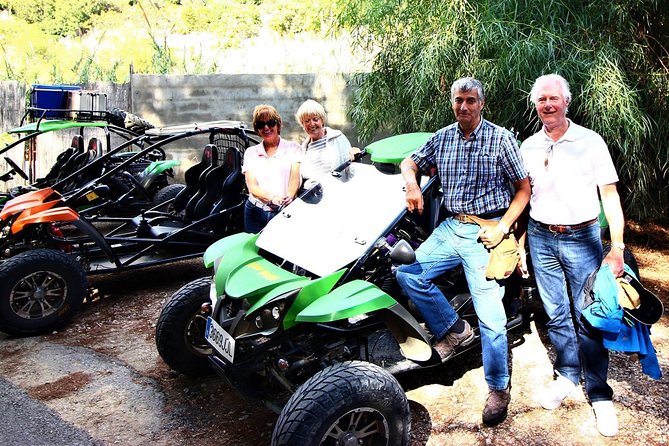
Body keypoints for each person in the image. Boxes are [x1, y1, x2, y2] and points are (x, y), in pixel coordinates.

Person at [396, 77, 530, 427]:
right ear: (452, 102)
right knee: (406, 272)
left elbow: (523, 190)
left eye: (471, 100)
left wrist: (503, 227)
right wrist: (411, 184)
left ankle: (498, 388)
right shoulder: (442, 138)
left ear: (481, 104)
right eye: (459, 100)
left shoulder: (500, 139)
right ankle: (454, 330)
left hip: (487, 231)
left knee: (491, 317)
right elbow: (409, 162)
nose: (464, 107)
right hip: (452, 227)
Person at [518, 74, 626, 437]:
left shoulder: (590, 142)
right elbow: (524, 196)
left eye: (554, 98)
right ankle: (566, 374)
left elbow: (609, 195)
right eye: (541, 100)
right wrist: (520, 243)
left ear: (567, 101)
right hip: (540, 237)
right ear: (536, 105)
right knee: (555, 312)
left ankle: (599, 393)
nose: (548, 105)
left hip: (582, 237)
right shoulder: (529, 146)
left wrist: (617, 247)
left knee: (588, 314)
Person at [242, 104, 302, 233]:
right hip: (255, 212)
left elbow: (294, 178)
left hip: (283, 212)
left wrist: (289, 197)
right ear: (257, 129)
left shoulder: (293, 148)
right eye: (260, 124)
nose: (266, 128)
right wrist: (272, 197)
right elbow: (252, 187)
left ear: (278, 125)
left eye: (270, 123)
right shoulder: (251, 152)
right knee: (253, 252)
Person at [295, 99, 360, 189]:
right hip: (312, 198)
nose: (311, 124)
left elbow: (351, 170)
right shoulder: (302, 150)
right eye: (306, 121)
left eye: (315, 119)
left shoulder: (338, 138)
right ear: (302, 124)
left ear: (322, 120)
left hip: (336, 192)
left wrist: (355, 159)